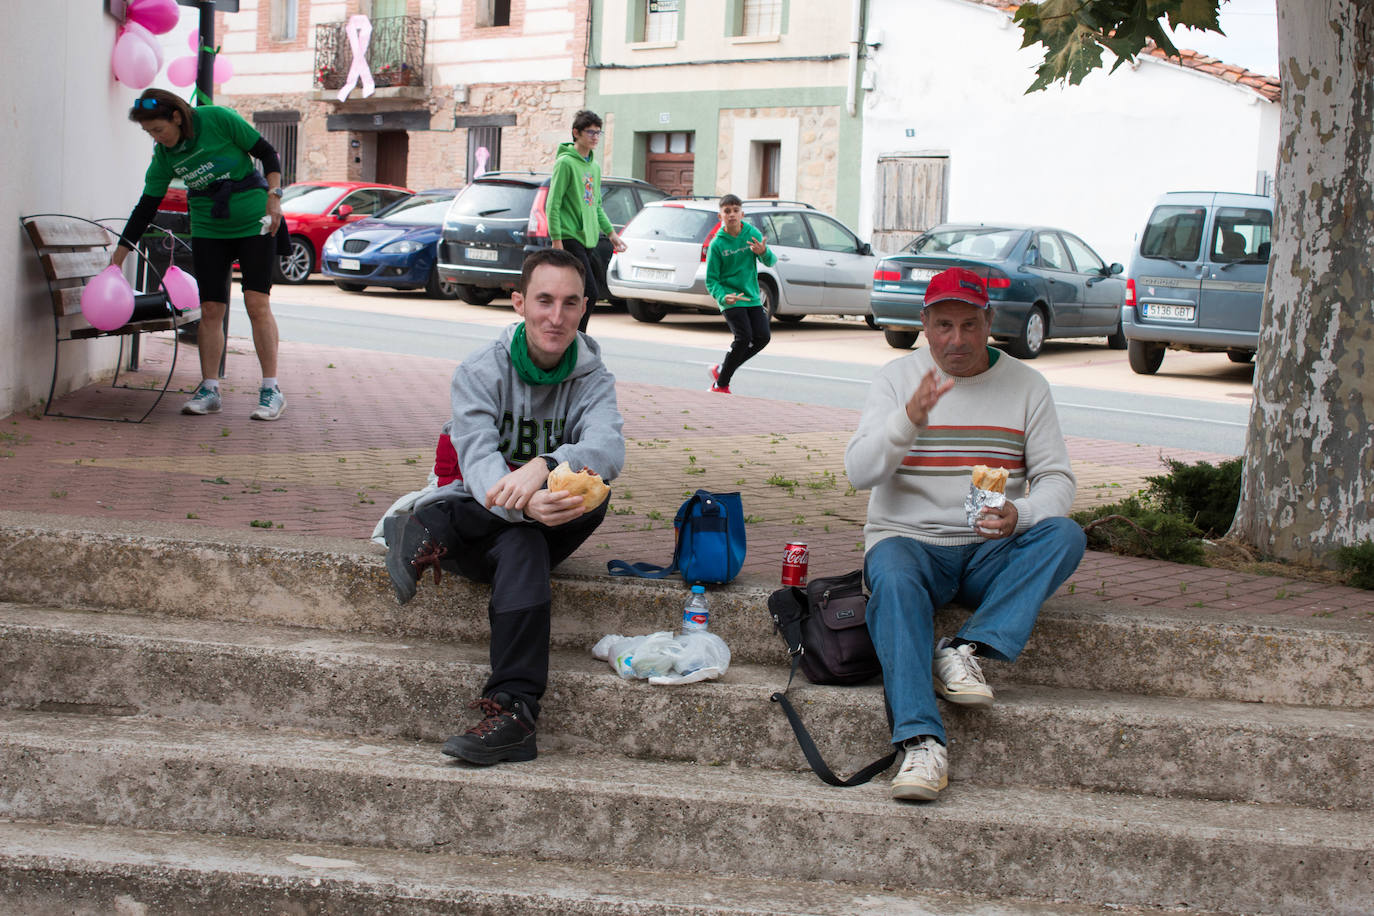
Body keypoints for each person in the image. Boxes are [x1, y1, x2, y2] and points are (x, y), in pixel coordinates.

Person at [843, 267, 1085, 802]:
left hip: (987, 549)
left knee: (1065, 535)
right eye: (945, 325)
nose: (957, 339)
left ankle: (965, 648)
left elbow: (1057, 480)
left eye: (970, 325)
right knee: (896, 584)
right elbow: (859, 472)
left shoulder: (1026, 385)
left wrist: (1020, 515)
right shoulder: (895, 379)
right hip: (907, 540)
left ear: (989, 322)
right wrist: (907, 419)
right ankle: (921, 743)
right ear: (924, 325)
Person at [384, 248, 625, 766]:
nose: (555, 317)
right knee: (522, 540)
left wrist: (544, 465)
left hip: (535, 517)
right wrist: (524, 506)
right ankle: (516, 712)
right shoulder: (480, 370)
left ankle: (429, 525)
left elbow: (608, 451)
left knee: (587, 495)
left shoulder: (593, 377)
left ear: (584, 308)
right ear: (518, 302)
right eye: (543, 300)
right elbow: (477, 464)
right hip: (487, 523)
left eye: (568, 303)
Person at [113, 88, 287, 421]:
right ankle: (210, 389)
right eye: (149, 132)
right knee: (209, 308)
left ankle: (271, 390)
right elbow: (145, 208)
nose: (156, 138)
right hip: (209, 226)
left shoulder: (217, 119)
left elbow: (267, 154)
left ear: (176, 117)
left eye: (158, 129)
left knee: (256, 303)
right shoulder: (164, 157)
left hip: (255, 220)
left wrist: (274, 198)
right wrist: (118, 257)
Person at [546, 109, 626, 333]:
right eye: (590, 132)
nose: (595, 137)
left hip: (588, 239)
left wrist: (612, 234)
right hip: (570, 237)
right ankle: (576, 339)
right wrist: (556, 240)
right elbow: (553, 204)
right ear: (576, 133)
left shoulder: (594, 167)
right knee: (589, 292)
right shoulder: (565, 163)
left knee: (584, 293)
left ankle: (568, 336)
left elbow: (596, 205)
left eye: (598, 133)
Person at [704, 194, 776, 394]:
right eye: (727, 211)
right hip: (730, 298)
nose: (732, 214)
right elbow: (711, 279)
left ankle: (722, 370)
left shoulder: (751, 233)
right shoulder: (717, 245)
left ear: (742, 214)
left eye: (735, 210)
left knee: (762, 337)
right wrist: (722, 296)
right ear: (720, 217)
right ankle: (721, 385)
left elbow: (771, 261)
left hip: (751, 296)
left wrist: (763, 252)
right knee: (744, 337)